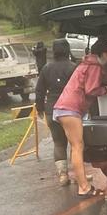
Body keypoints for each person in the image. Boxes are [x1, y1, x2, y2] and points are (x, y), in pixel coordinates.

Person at [53, 38, 107, 197]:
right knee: (77, 148)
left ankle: (84, 185)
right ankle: (84, 187)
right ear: (105, 53)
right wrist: (106, 90)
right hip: (70, 109)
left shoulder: (87, 63)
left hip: (64, 108)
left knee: (76, 147)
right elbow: (91, 89)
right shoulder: (94, 66)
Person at [34, 39, 78, 185]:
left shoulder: (46, 68)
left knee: (58, 143)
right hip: (70, 109)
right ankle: (79, 174)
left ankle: (63, 176)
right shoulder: (73, 68)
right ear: (68, 50)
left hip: (52, 109)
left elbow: (39, 90)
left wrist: (39, 108)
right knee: (75, 143)